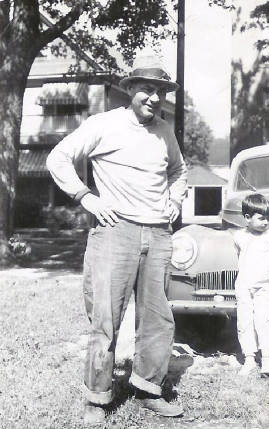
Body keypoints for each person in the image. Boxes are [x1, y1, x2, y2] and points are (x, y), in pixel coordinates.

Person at [46, 52, 187, 423]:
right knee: (105, 319)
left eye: (159, 91)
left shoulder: (165, 130)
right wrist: (86, 197)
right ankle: (96, 398)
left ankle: (148, 389)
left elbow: (179, 171)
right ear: (130, 91)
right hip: (114, 232)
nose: (154, 98)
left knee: (158, 319)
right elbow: (58, 158)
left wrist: (175, 198)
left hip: (158, 234)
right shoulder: (103, 124)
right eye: (146, 89)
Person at [233, 193, 269, 378]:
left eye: (268, 218)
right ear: (247, 218)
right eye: (261, 218)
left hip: (265, 286)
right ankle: (249, 358)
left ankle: (267, 360)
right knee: (245, 321)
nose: (266, 222)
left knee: (264, 320)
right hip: (244, 286)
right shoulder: (239, 236)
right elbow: (239, 257)